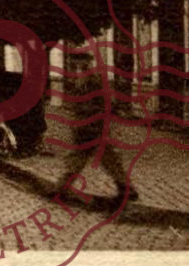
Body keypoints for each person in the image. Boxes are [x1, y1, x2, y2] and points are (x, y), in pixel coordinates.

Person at [56, 57, 138, 207]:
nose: (80, 67)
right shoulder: (82, 81)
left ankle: (61, 188)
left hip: (93, 126)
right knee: (105, 158)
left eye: (82, 64)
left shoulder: (94, 82)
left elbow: (105, 103)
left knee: (87, 158)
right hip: (90, 127)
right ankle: (126, 189)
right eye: (78, 65)